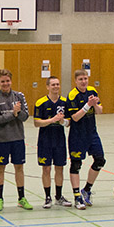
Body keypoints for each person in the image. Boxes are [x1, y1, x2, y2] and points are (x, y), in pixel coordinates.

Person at [0, 69, 32, 211]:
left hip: (18, 138)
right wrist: (13, 114)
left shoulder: (19, 96)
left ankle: (21, 198)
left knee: (19, 167)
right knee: (0, 168)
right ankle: (0, 199)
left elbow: (25, 117)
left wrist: (18, 113)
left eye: (7, 81)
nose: (5, 84)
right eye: (3, 81)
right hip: (1, 140)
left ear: (11, 81)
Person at [66, 69, 105, 210]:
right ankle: (77, 197)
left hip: (92, 133)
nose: (84, 82)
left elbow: (100, 111)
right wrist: (88, 105)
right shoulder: (72, 95)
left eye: (85, 79)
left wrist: (95, 104)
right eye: (81, 79)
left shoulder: (92, 91)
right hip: (78, 135)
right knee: (76, 165)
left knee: (100, 160)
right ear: (76, 81)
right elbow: (75, 117)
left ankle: (87, 189)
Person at [33, 76, 73, 209]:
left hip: (59, 140)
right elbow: (36, 122)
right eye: (53, 85)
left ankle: (59, 196)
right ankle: (47, 197)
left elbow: (68, 123)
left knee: (60, 168)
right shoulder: (41, 103)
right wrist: (52, 120)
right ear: (48, 87)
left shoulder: (64, 102)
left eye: (57, 84)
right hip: (45, 140)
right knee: (46, 168)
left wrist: (62, 121)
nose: (56, 87)